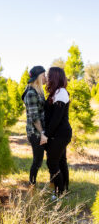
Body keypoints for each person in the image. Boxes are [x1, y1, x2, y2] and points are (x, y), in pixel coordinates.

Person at [44, 67, 72, 197]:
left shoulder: (61, 93)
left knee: (52, 163)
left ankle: (59, 194)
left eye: (49, 76)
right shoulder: (57, 92)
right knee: (61, 161)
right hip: (59, 133)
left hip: (60, 133)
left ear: (54, 77)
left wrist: (46, 135)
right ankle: (63, 190)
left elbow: (56, 119)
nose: (47, 78)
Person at [22, 66, 48, 187]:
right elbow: (34, 117)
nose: (45, 77)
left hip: (40, 131)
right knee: (37, 161)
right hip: (35, 132)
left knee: (39, 160)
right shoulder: (31, 93)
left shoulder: (38, 91)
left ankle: (33, 184)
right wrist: (42, 133)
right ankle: (32, 185)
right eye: (44, 75)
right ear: (38, 77)